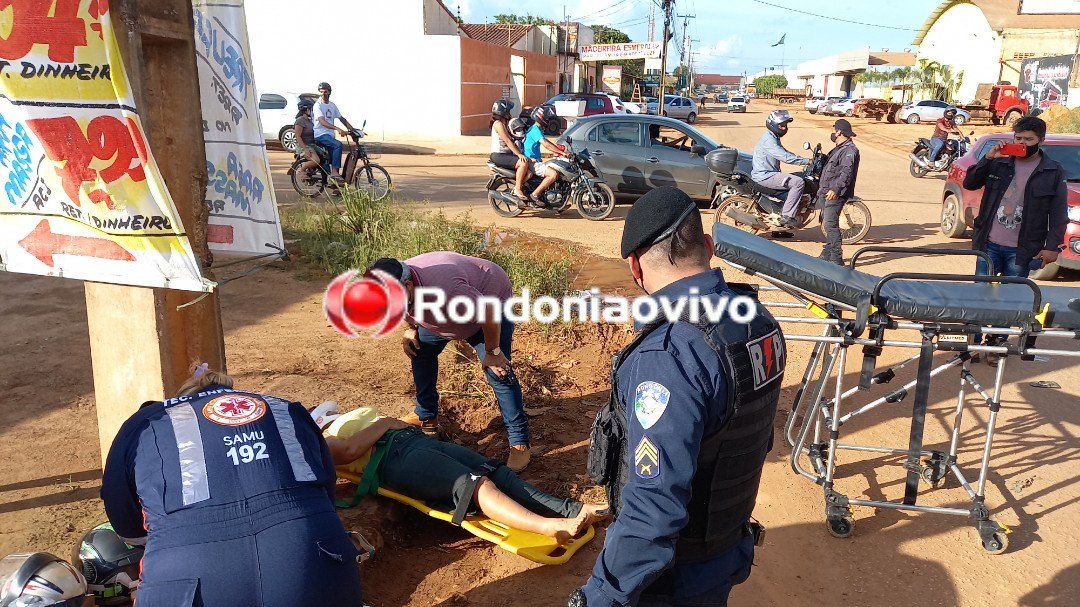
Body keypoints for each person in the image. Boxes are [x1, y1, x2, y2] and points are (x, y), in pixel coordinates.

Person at [572, 187, 785, 607]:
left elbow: (653, 506)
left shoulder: (668, 355)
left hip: (675, 578)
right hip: (723, 548)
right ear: (707, 246)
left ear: (634, 265)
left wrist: (599, 598)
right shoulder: (757, 319)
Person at [100, 366, 365, 607]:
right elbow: (325, 498)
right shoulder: (286, 408)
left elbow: (128, 528)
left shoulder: (146, 421)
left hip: (188, 577)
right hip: (314, 557)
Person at [316, 404, 608, 543]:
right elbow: (352, 449)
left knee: (496, 472)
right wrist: (387, 424)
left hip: (415, 444)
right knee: (475, 484)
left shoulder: (346, 418)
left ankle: (575, 509)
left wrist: (402, 421)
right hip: (396, 459)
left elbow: (399, 423)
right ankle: (546, 526)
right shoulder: (324, 438)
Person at [363, 254, 532, 472]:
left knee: (497, 371)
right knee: (420, 351)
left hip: (488, 306)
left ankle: (519, 441)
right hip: (444, 315)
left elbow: (489, 312)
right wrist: (411, 328)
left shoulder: (446, 289)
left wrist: (493, 351)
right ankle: (426, 416)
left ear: (407, 285)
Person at [963, 116, 1068, 363]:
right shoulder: (1000, 163)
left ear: (1041, 141)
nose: (1022, 143)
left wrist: (1052, 247)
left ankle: (996, 347)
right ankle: (974, 345)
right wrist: (987, 159)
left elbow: (1059, 212)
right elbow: (970, 182)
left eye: (1028, 139)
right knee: (980, 296)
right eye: (1018, 138)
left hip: (1021, 250)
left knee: (1010, 302)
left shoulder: (1052, 171)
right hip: (989, 243)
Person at [752, 109, 810, 228]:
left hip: (769, 174)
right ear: (773, 124)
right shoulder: (769, 140)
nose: (784, 128)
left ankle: (781, 226)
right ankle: (787, 216)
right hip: (765, 175)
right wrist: (806, 161)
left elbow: (784, 152)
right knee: (798, 183)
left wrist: (804, 160)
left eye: (786, 125)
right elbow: (784, 157)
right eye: (782, 125)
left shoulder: (774, 137)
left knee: (799, 176)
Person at [818, 119, 861, 266]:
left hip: (836, 193)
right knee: (828, 223)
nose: (833, 132)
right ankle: (827, 252)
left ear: (839, 132)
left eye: (834, 129)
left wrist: (835, 189)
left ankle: (836, 257)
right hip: (827, 191)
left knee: (831, 225)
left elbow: (846, 173)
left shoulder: (850, 150)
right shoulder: (840, 148)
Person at [521, 105, 566, 203]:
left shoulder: (537, 129)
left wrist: (558, 150)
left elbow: (547, 142)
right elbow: (545, 144)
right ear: (541, 117)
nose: (548, 119)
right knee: (553, 174)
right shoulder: (535, 130)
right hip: (531, 161)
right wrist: (560, 152)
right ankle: (534, 195)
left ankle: (557, 203)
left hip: (535, 161)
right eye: (547, 117)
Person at [313, 81, 357, 182]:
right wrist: (337, 129)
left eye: (325, 91)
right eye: (321, 92)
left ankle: (335, 185)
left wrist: (353, 129)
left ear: (330, 92)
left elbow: (341, 118)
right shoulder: (317, 105)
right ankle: (334, 172)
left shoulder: (332, 105)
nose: (323, 94)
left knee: (334, 156)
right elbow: (322, 121)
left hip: (329, 135)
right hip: (320, 134)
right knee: (338, 145)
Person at [489, 99, 531, 202]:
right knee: (523, 164)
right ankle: (517, 189)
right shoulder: (498, 124)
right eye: (508, 111)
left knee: (529, 172)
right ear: (503, 112)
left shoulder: (504, 124)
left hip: (505, 155)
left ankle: (522, 190)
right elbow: (507, 141)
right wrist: (519, 155)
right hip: (498, 155)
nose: (509, 113)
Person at [293, 98, 324, 175]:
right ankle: (301, 170)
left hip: (312, 145)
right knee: (316, 160)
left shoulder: (310, 120)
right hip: (304, 146)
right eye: (310, 109)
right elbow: (298, 136)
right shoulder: (300, 121)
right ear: (306, 109)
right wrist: (305, 149)